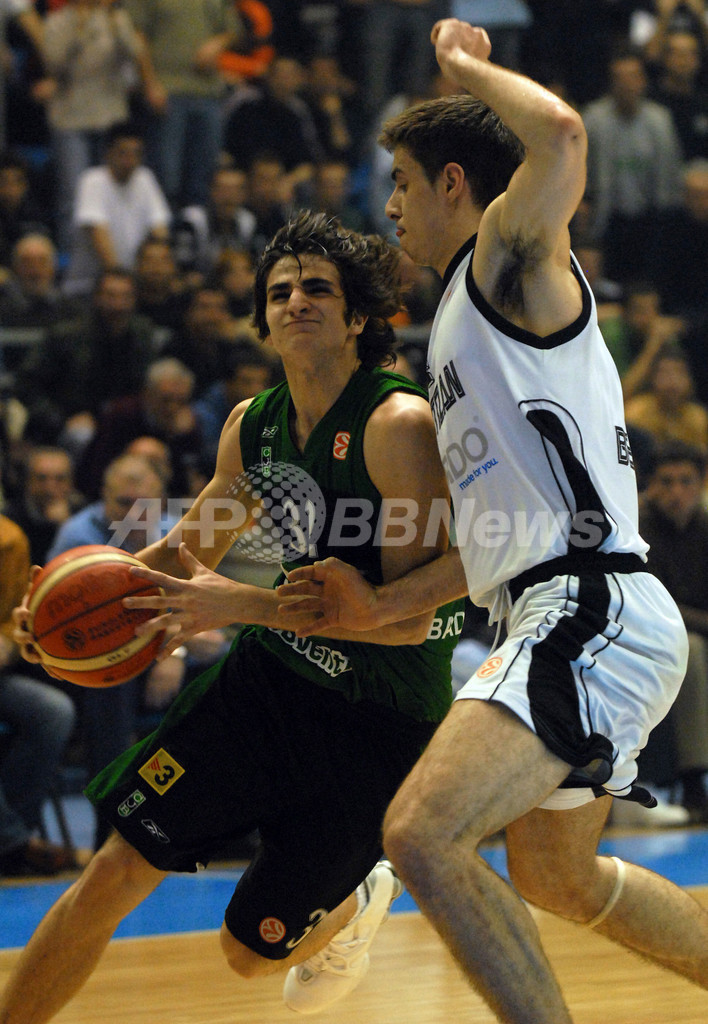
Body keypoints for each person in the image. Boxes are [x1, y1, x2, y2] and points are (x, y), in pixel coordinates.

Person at [277, 20, 708, 1023]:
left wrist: (464, 69)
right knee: (561, 879)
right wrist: (380, 606)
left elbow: (561, 134)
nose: (389, 206)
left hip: (588, 606)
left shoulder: (508, 263)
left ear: (454, 184)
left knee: (421, 833)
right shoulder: (462, 326)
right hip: (560, 605)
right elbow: (490, 548)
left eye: (402, 184)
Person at [0, 209, 463, 1021]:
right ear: (262, 319)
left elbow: (407, 621)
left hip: (379, 717)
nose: (295, 302)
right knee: (113, 871)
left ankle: (360, 897)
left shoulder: (398, 427)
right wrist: (56, 610)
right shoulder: (254, 426)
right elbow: (182, 556)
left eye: (317, 289)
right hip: (270, 686)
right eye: (279, 292)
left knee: (247, 953)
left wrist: (242, 604)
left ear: (359, 317)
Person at [0, 513, 77, 877]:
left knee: (54, 710)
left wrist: (6, 643)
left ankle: (13, 836)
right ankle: (14, 843)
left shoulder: (8, 539)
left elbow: (16, 618)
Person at [638, 440, 708, 821]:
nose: (676, 492)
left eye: (686, 481)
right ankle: (694, 782)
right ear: (650, 485)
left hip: (694, 630)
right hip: (646, 636)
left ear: (701, 485)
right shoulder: (635, 527)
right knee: (691, 648)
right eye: (666, 482)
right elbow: (656, 605)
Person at [62, 122, 171, 296]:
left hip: (131, 288)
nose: (130, 161)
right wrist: (124, 284)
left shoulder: (145, 178)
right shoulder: (92, 180)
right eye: (123, 153)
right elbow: (99, 237)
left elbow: (160, 233)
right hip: (89, 287)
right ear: (108, 153)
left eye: (136, 154)